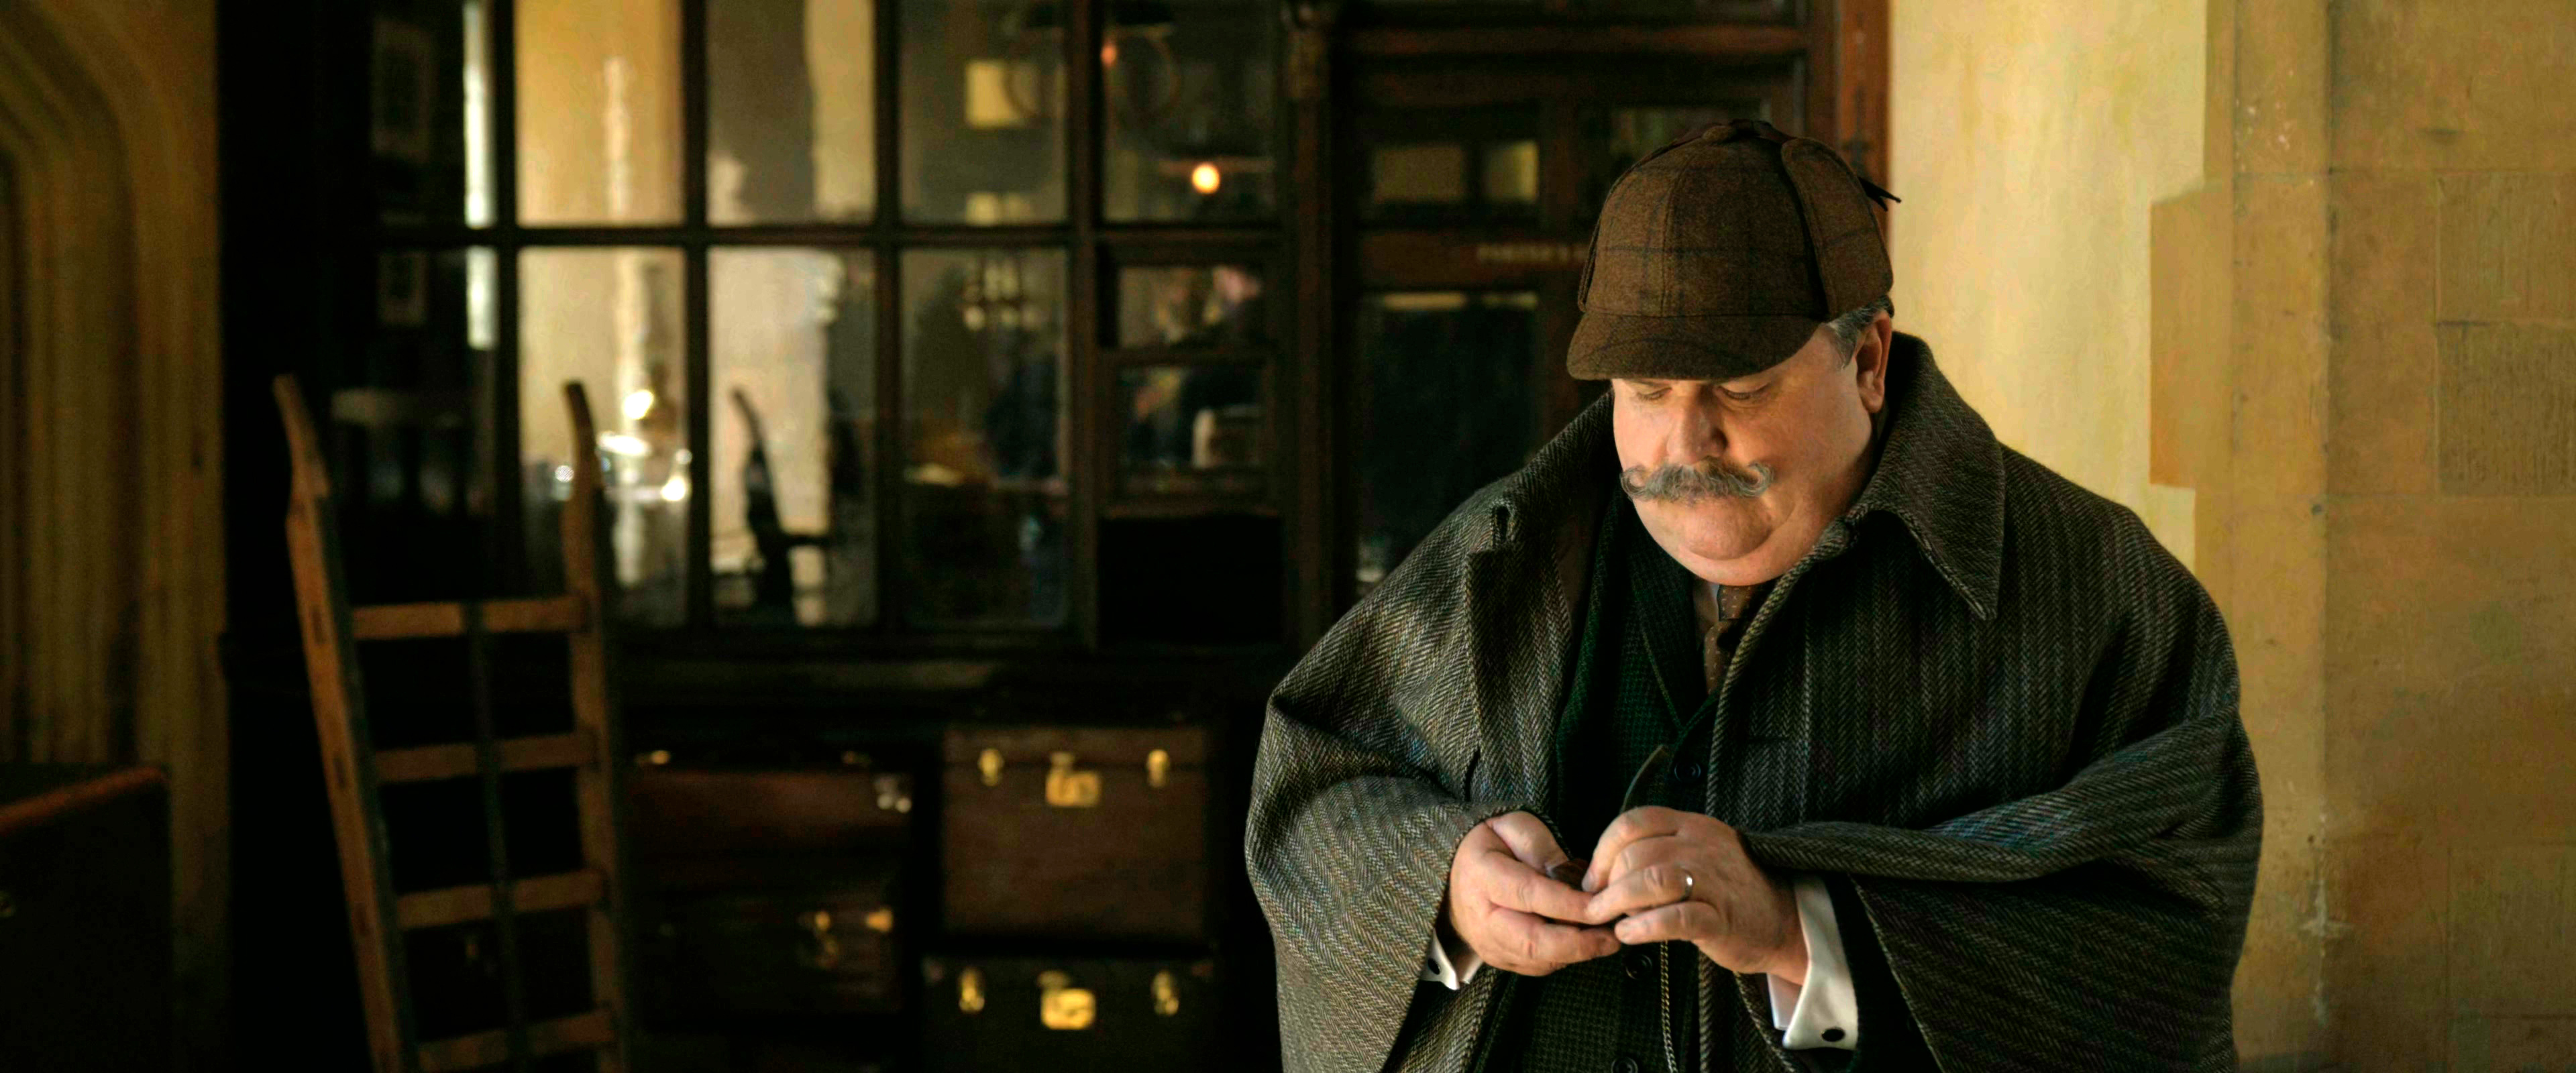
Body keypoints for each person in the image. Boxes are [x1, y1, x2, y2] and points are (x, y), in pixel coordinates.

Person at [1244, 119, 2261, 1072]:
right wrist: (1447, 889)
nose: (1684, 447)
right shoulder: (1500, 553)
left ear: (1867, 361)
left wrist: (1798, 928)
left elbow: (2170, 926)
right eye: (1646, 391)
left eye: (1738, 387)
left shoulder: (2101, 591)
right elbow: (1315, 779)